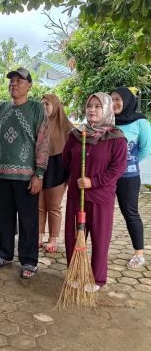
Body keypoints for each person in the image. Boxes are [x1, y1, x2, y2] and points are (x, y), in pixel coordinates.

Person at [0, 68, 49, 279]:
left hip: (27, 177)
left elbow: (43, 142)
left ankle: (29, 260)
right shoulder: (2, 108)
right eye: (11, 81)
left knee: (28, 220)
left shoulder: (36, 108)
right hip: (3, 175)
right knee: (4, 218)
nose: (13, 84)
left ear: (29, 86)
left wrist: (39, 173)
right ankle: (4, 254)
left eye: (19, 81)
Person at [63, 92, 127, 292]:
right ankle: (75, 271)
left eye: (98, 106)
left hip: (100, 196)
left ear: (106, 109)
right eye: (89, 106)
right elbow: (66, 161)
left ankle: (97, 278)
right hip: (76, 194)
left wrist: (93, 181)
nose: (92, 110)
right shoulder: (76, 135)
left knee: (100, 238)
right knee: (73, 236)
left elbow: (118, 168)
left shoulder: (116, 137)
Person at [111, 87, 151, 270]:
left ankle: (139, 253)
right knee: (103, 213)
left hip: (128, 177)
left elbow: (145, 148)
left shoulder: (140, 122)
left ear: (127, 100)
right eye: (111, 100)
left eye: (118, 99)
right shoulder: (108, 120)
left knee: (131, 213)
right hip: (106, 177)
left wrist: (128, 162)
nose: (114, 103)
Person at [38, 94, 74, 252]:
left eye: (47, 103)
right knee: (38, 205)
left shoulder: (67, 127)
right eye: (42, 104)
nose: (44, 106)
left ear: (56, 105)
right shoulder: (37, 123)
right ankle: (38, 235)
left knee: (53, 206)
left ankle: (53, 238)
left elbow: (74, 152)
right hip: (40, 166)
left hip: (58, 168)